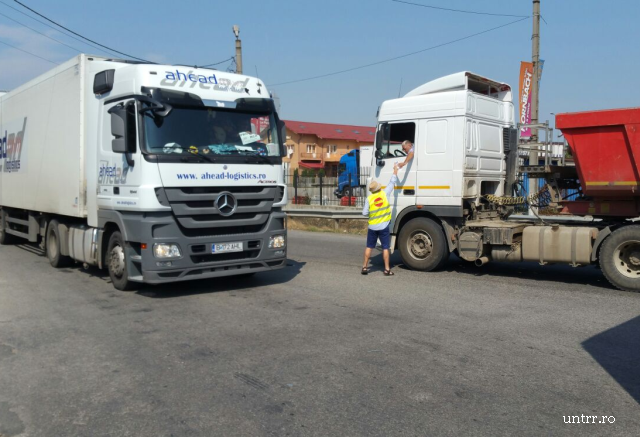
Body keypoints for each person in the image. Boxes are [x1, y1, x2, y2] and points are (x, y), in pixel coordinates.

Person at [361, 163, 399, 276]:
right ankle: (387, 269)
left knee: (369, 247)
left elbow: (364, 213)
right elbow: (392, 182)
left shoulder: (369, 198)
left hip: (372, 226)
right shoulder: (385, 194)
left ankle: (364, 267)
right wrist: (395, 170)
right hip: (383, 226)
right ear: (379, 187)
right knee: (385, 247)